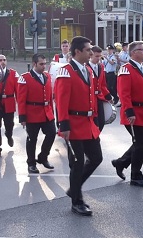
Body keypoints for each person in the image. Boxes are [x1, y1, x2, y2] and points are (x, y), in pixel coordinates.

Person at [55, 36, 103, 216]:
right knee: (77, 163)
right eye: (88, 50)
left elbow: (91, 97)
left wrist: (96, 118)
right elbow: (61, 101)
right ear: (77, 52)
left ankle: (74, 188)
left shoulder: (88, 70)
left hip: (88, 123)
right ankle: (77, 201)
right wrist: (64, 125)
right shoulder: (66, 71)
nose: (92, 52)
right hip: (73, 124)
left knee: (96, 158)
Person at [111, 41, 143, 188]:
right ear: (133, 52)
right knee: (140, 144)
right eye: (142, 50)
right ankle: (136, 175)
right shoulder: (126, 69)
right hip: (134, 112)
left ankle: (120, 162)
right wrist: (129, 111)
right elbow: (124, 93)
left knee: (140, 143)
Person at [17, 54, 56, 173]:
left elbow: (49, 96)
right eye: (41, 64)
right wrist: (22, 117)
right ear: (34, 64)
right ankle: (31, 163)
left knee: (52, 133)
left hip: (46, 112)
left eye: (45, 63)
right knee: (32, 139)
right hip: (32, 113)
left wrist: (52, 112)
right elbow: (21, 99)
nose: (44, 66)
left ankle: (43, 157)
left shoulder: (47, 76)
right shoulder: (25, 78)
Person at [89, 45, 112, 131]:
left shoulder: (101, 66)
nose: (98, 58)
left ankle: (95, 138)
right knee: (94, 121)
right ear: (90, 55)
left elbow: (102, 84)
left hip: (99, 97)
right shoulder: (86, 67)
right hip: (90, 98)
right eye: (96, 56)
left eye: (100, 56)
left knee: (101, 122)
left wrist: (108, 96)